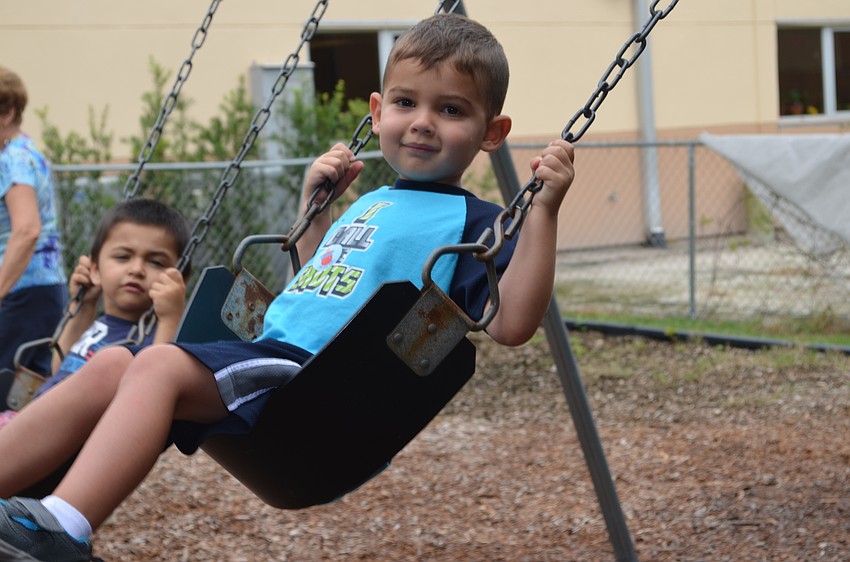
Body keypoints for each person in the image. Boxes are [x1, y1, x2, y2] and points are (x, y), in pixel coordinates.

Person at [0, 13, 575, 561]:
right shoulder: (372, 201)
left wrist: (543, 211)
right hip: (269, 357)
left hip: (313, 380)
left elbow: (511, 324)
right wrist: (316, 212)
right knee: (110, 365)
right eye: (406, 102)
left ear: (492, 132)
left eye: (450, 109)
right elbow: (318, 284)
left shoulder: (476, 224)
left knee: (155, 366)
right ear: (377, 113)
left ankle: (64, 529)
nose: (422, 121)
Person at [0, 198, 191, 428]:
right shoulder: (99, 325)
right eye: (123, 257)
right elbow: (59, 367)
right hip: (34, 421)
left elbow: (153, 389)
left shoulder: (155, 344)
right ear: (95, 269)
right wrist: (83, 305)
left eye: (156, 262)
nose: (137, 269)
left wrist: (170, 319)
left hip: (62, 434)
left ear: (179, 280)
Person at [0, 66, 67, 390]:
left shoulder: (11, 160)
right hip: (43, 290)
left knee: (9, 395)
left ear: (8, 112)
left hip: (22, 293)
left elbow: (27, 229)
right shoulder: (28, 153)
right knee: (25, 392)